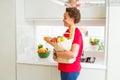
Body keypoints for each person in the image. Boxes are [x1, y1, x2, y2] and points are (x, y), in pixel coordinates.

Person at [54, 7, 83, 80]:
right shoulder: (67, 31)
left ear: (72, 19)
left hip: (71, 69)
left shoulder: (76, 33)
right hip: (64, 67)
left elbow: (73, 54)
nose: (63, 20)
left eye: (65, 18)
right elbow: (63, 47)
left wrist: (57, 54)